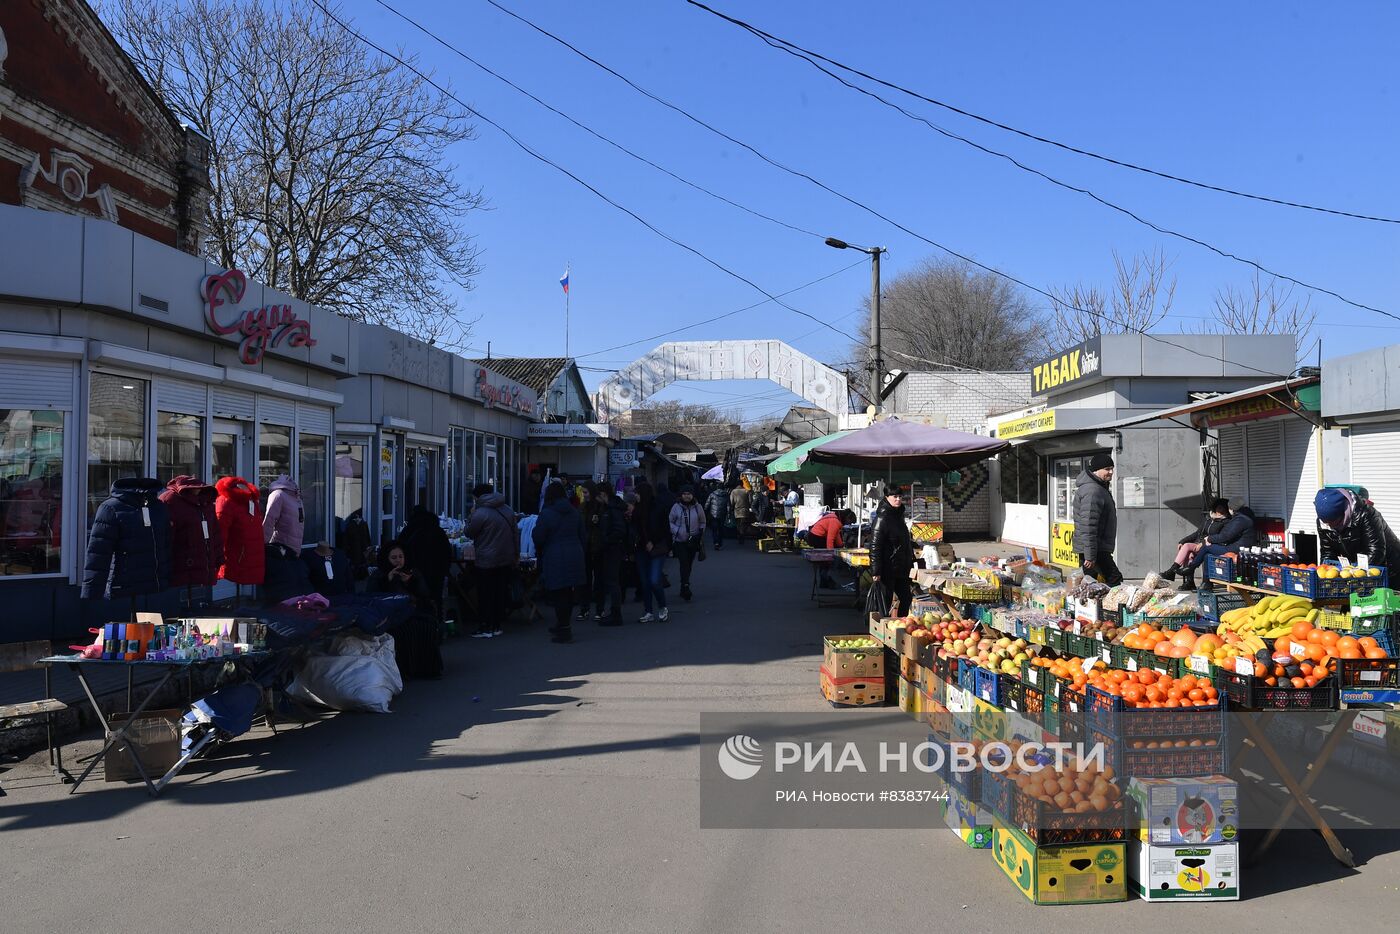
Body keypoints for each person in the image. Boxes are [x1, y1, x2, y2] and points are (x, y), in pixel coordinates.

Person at [370, 541, 443, 678]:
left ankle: (426, 669)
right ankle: (406, 671)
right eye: (394, 558)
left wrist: (410, 582)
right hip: (392, 614)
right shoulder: (379, 574)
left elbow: (425, 594)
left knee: (425, 626)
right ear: (387, 559)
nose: (398, 561)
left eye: (400, 557)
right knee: (403, 630)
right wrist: (388, 581)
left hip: (415, 610)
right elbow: (372, 596)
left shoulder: (412, 572)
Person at [533, 483, 587, 643]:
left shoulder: (547, 513)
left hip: (555, 555)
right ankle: (563, 625)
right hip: (575, 554)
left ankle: (564, 629)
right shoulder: (575, 512)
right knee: (568, 594)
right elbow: (583, 536)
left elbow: (538, 537)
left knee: (558, 594)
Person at [466, 483, 518, 638]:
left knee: (485, 593)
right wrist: (516, 554)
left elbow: (469, 532)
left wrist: (471, 515)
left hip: (486, 559)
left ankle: (485, 626)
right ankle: (496, 625)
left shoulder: (480, 513)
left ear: (479, 497)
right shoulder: (507, 509)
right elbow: (515, 533)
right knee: (499, 592)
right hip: (505, 557)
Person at [1316, 487, 1400, 570]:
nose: (1329, 525)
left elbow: (1375, 551)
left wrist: (1355, 573)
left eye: (1333, 521)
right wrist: (1325, 572)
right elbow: (1328, 551)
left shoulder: (1366, 514)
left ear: (1343, 513)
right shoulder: (1324, 523)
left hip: (1389, 566)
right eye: (1326, 522)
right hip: (1358, 566)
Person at [1072, 453, 1123, 586]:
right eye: (1107, 469)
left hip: (1094, 547)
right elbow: (1088, 525)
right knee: (1115, 579)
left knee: (1091, 584)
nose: (1111, 472)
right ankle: (1112, 606)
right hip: (1095, 547)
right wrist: (1090, 555)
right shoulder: (1093, 491)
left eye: (1112, 468)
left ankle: (1090, 606)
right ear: (1096, 470)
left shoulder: (1098, 487)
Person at [1183, 504, 1258, 590]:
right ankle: (1206, 583)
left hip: (1237, 550)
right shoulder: (1242, 518)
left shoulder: (1241, 519)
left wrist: (1209, 539)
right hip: (1236, 547)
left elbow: (1226, 535)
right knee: (1207, 555)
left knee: (1207, 548)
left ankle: (1192, 567)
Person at [1161, 499, 1231, 589]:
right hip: (1198, 545)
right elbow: (1197, 533)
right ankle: (1189, 582)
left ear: (1226, 509)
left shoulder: (1226, 522)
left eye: (1222, 508)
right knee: (1188, 551)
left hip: (1211, 546)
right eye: (1218, 508)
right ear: (1215, 508)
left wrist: (1202, 543)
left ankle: (1172, 572)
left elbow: (1219, 537)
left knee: (1187, 547)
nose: (1220, 510)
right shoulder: (1208, 518)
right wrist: (1182, 541)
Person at [400, 504, 452, 616]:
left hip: (416, 569)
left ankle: (420, 621)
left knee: (417, 594)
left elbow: (401, 547)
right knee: (436, 595)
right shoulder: (437, 530)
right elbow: (448, 551)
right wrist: (446, 569)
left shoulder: (409, 530)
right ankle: (437, 620)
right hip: (437, 569)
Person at [870, 487, 914, 615]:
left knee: (906, 598)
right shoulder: (882, 518)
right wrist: (876, 570)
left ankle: (900, 628)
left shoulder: (899, 515)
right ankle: (880, 630)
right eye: (894, 496)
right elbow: (875, 546)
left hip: (901, 567)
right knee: (885, 602)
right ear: (886, 497)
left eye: (900, 497)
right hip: (887, 568)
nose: (898, 499)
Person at [594, 491, 630, 626]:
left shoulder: (612, 510)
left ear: (603, 494)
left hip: (612, 549)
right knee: (612, 581)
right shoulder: (612, 508)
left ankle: (616, 614)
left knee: (612, 581)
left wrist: (607, 540)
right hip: (613, 548)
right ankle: (615, 613)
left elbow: (619, 530)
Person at [637, 482, 671, 622]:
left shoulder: (658, 507)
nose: (636, 496)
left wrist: (653, 541)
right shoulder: (637, 510)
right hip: (641, 548)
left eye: (637, 493)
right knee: (644, 582)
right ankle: (648, 611)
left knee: (654, 580)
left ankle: (662, 607)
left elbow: (664, 529)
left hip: (657, 548)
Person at [670, 485, 706, 602]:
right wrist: (678, 531)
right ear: (681, 495)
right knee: (684, 563)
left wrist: (700, 533)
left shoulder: (697, 507)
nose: (687, 496)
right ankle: (685, 586)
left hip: (693, 541)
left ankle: (683, 584)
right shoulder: (676, 507)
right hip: (680, 541)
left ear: (692, 495)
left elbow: (703, 521)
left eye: (689, 494)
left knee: (689, 564)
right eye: (684, 494)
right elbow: (670, 522)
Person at [580, 485, 609, 620]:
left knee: (599, 579)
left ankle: (599, 608)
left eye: (585, 492)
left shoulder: (600, 507)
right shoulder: (582, 507)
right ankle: (585, 608)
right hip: (586, 546)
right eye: (583, 492)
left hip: (598, 547)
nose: (584, 494)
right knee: (585, 580)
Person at [704, 482, 729, 550]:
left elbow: (707, 504)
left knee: (714, 529)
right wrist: (728, 514)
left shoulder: (712, 494)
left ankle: (716, 542)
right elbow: (728, 505)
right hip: (722, 514)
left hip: (713, 514)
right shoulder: (726, 494)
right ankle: (720, 542)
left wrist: (705, 511)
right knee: (721, 529)